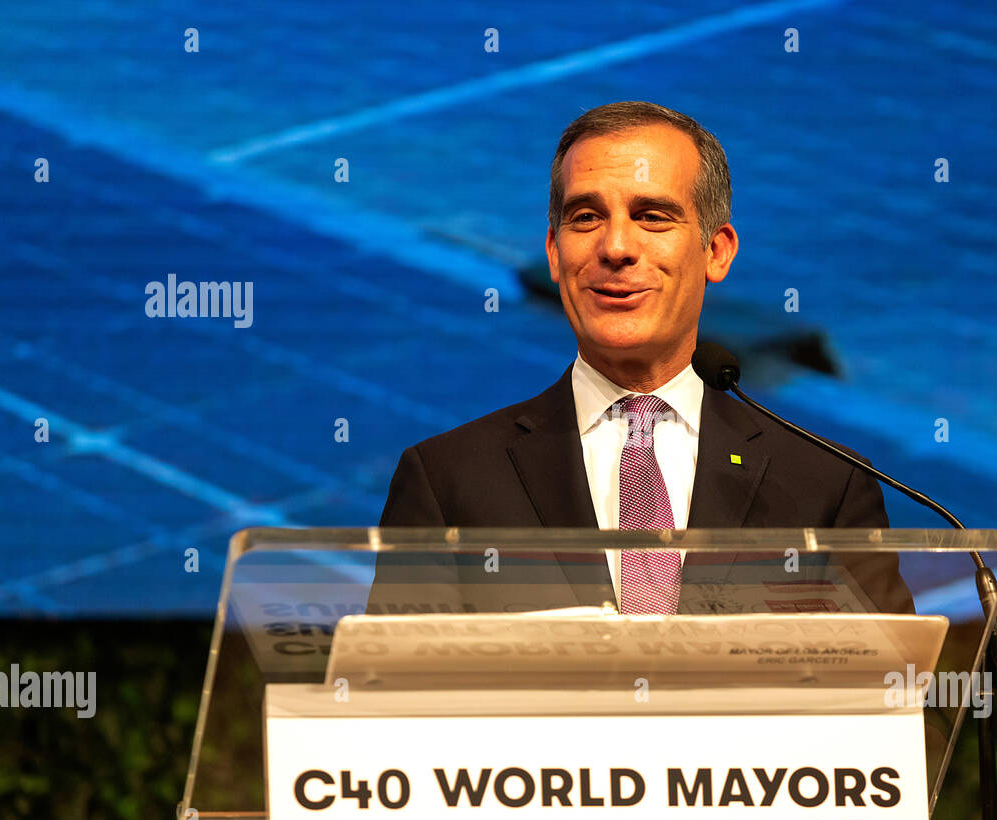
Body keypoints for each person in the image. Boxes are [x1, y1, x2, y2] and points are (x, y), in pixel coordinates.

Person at [373, 101, 912, 615]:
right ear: (555, 253)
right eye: (585, 217)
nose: (615, 248)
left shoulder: (827, 485)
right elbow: (393, 697)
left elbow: (891, 697)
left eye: (652, 216)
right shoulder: (446, 480)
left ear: (716, 252)